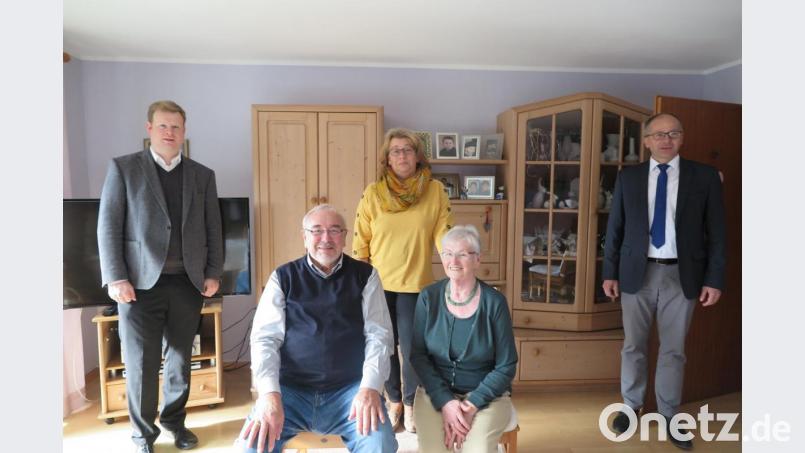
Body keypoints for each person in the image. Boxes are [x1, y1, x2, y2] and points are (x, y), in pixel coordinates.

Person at [97, 100, 223, 453]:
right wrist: (115, 277)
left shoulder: (202, 175)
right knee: (140, 363)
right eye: (163, 126)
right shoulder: (124, 168)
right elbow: (108, 226)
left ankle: (174, 422)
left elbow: (214, 227)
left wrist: (213, 272)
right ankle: (143, 435)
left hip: (187, 283)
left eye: (177, 127)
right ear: (149, 128)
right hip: (137, 286)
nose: (170, 133)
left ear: (184, 132)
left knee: (181, 361)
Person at [602, 113, 725, 450]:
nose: (666, 139)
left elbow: (717, 233)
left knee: (674, 351)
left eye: (673, 133)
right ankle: (631, 407)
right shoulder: (629, 178)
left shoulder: (705, 177)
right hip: (635, 273)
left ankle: (670, 415)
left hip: (681, 274)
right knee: (633, 346)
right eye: (658, 134)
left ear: (682, 138)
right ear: (646, 141)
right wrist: (609, 272)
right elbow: (615, 229)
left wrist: (714, 279)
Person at [238, 205, 397, 453]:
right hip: (290, 392)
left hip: (350, 392)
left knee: (380, 445)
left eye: (334, 231)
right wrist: (269, 394)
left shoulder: (365, 276)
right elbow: (265, 340)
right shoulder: (283, 277)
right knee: (249, 448)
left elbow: (380, 337)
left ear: (345, 237)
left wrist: (370, 388)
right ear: (304, 236)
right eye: (317, 231)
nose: (326, 239)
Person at [353, 127, 454, 432]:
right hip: (378, 284)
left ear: (417, 155)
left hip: (416, 284)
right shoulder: (373, 193)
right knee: (382, 345)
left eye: (408, 149)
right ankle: (393, 400)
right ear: (387, 159)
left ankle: (411, 405)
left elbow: (443, 231)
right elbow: (361, 239)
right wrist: (357, 280)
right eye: (395, 151)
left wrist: (455, 259)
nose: (402, 156)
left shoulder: (435, 190)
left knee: (412, 349)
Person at [410, 225, 518, 452]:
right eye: (448, 253)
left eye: (463, 254)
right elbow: (418, 356)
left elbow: (506, 365)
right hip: (434, 393)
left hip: (487, 397)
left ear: (477, 260)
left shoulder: (495, 302)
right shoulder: (428, 297)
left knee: (476, 449)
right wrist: (447, 402)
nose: (454, 260)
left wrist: (471, 406)